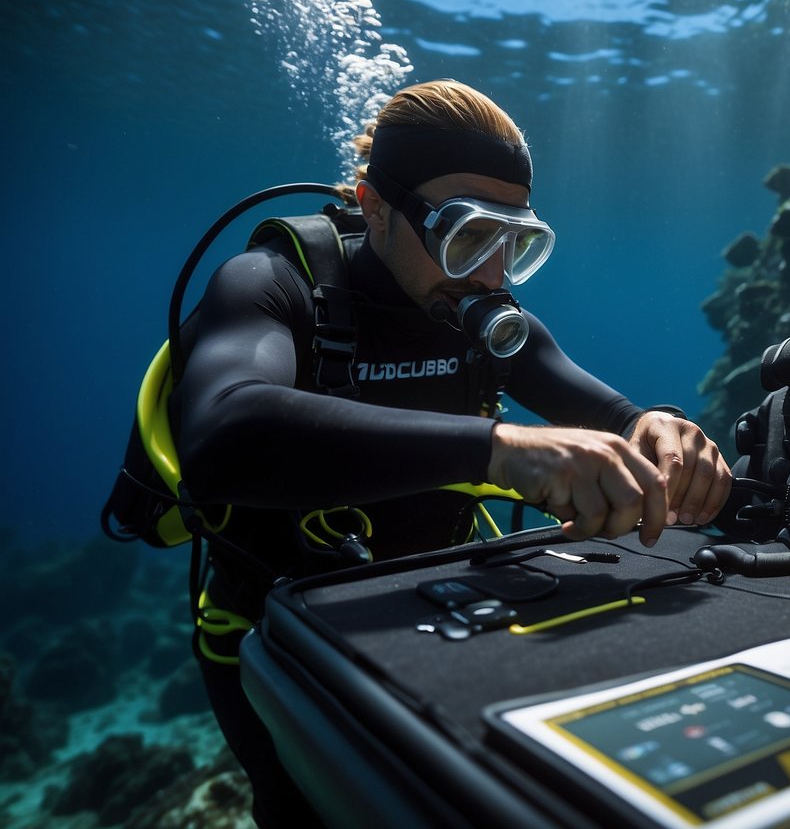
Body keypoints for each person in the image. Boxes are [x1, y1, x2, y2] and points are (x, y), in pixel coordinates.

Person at [172, 78, 732, 827]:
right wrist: (496, 448)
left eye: (517, 243)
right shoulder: (269, 285)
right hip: (271, 636)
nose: (491, 275)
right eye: (467, 235)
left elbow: (617, 416)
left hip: (444, 616)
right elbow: (222, 435)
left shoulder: (482, 321)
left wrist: (660, 425)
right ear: (375, 207)